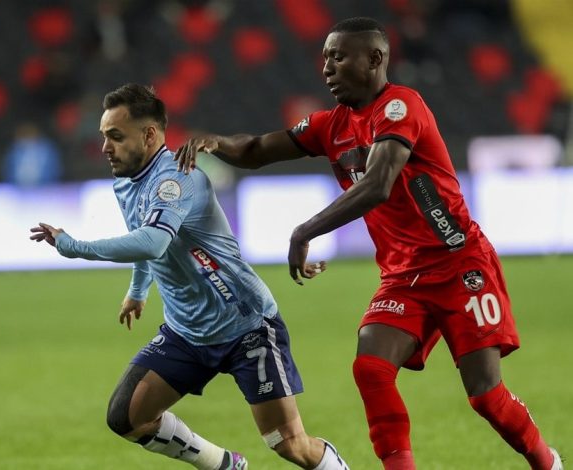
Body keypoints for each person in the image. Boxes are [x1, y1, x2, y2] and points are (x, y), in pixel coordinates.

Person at [173, 17, 562, 470]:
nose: (327, 68)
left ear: (375, 58)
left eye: (338, 57)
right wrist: (218, 142)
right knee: (371, 368)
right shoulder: (331, 125)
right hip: (404, 277)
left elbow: (378, 183)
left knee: (485, 396)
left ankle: (546, 462)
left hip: (459, 263)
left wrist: (305, 231)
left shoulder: (401, 106)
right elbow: (258, 149)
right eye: (325, 58)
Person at [30, 83, 349, 470]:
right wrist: (138, 289)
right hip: (187, 332)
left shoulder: (177, 178)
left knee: (289, 445)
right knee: (126, 417)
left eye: (116, 136)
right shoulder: (126, 183)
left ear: (149, 135)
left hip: (245, 325)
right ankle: (223, 465)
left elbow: (152, 242)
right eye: (104, 136)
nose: (105, 148)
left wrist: (73, 246)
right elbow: (143, 237)